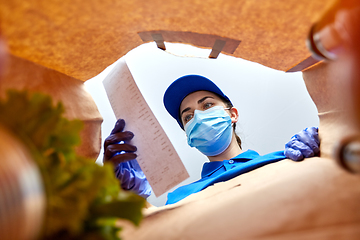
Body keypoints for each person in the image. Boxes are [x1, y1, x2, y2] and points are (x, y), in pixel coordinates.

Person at [103, 75, 320, 204]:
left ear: (232, 114)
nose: (197, 116)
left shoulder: (285, 159)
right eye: (188, 116)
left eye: (207, 105)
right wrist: (127, 197)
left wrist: (326, 143)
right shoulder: (179, 197)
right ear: (188, 135)